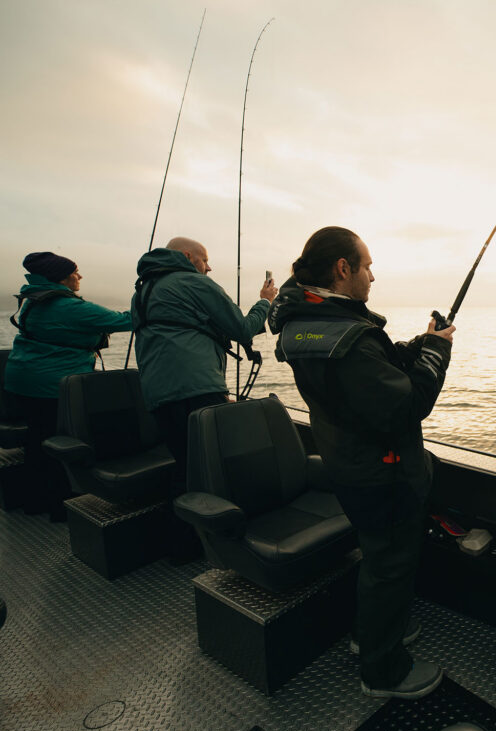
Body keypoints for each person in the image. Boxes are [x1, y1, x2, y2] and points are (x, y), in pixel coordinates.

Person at [267, 226, 455, 700]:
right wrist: (437, 352)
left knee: (377, 557)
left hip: (348, 462)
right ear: (343, 268)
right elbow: (404, 404)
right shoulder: (347, 332)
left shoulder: (307, 322)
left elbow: (373, 368)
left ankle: (370, 633)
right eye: (367, 265)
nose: (373, 275)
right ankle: (383, 668)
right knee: (390, 564)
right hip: (382, 470)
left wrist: (419, 343)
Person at [131, 237, 277, 477]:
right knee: (217, 465)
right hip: (198, 390)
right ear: (187, 257)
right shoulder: (194, 282)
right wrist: (265, 301)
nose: (209, 268)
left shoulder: (140, 293)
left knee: (189, 464)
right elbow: (241, 329)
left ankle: (190, 510)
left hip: (157, 396)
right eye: (205, 260)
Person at [5, 252, 133, 520]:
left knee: (37, 439)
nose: (80, 276)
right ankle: (58, 503)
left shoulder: (33, 300)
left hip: (22, 378)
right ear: (61, 278)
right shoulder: (69, 307)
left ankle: (34, 501)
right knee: (59, 443)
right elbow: (126, 320)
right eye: (76, 272)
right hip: (51, 384)